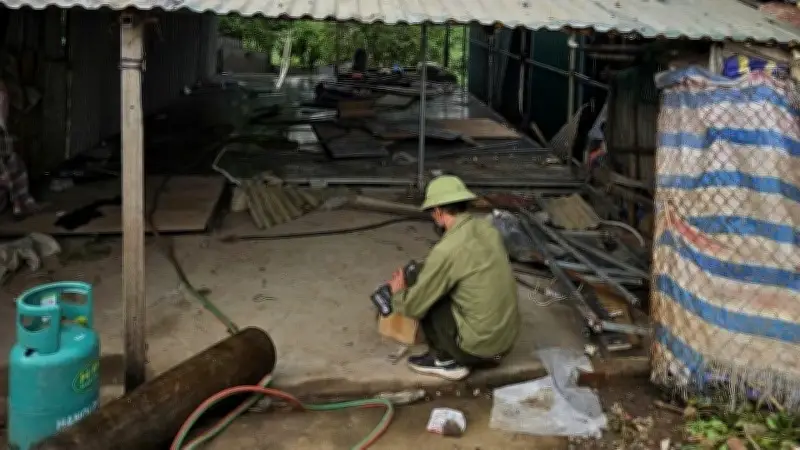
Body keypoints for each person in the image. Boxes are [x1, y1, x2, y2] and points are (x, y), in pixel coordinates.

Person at [387, 175, 520, 381]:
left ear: (438, 211)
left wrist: (398, 293)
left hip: (476, 350)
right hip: (503, 345)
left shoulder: (447, 250)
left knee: (422, 287)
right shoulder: (488, 230)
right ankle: (483, 353)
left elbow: (412, 307)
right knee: (436, 277)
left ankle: (447, 360)